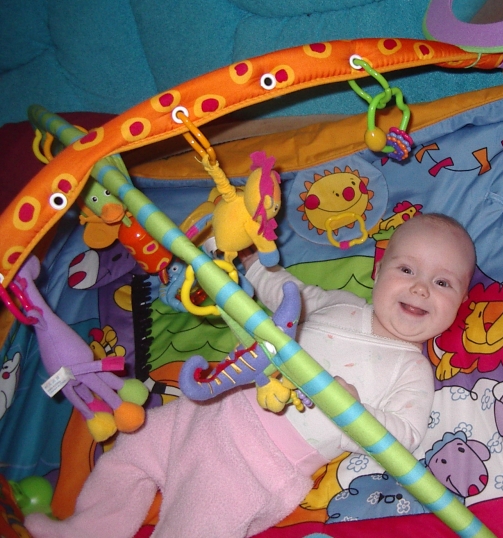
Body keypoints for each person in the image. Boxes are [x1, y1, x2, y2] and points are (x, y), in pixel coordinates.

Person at [26, 213, 476, 538]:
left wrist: (354, 411)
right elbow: (284, 292)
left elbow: (405, 439)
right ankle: (85, 529)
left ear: (460, 304)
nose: (420, 287)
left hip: (256, 464)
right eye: (406, 269)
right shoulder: (341, 303)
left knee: (196, 525)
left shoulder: (411, 369)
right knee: (129, 451)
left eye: (442, 282)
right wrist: (245, 261)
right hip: (209, 409)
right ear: (378, 272)